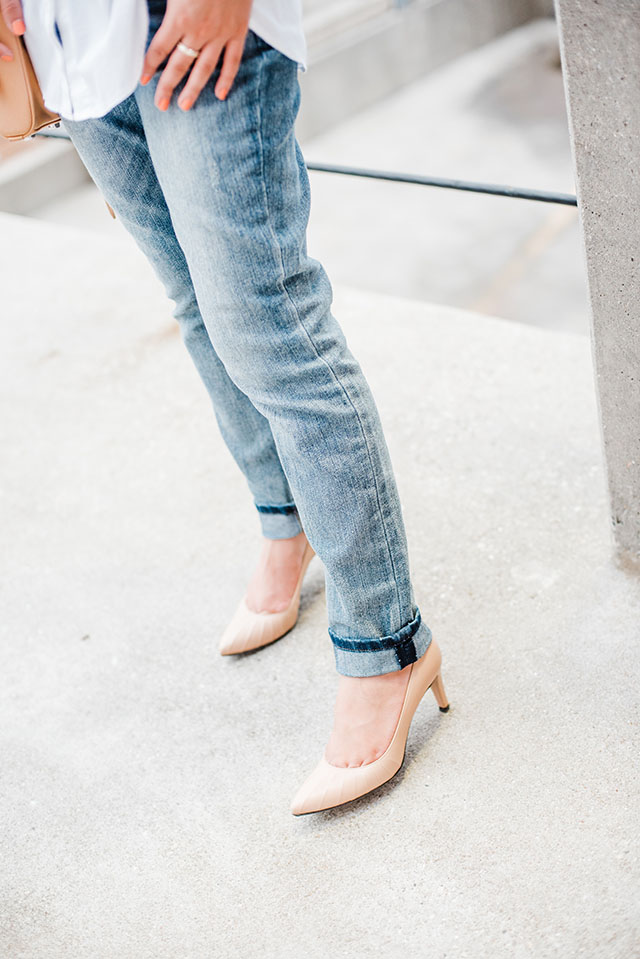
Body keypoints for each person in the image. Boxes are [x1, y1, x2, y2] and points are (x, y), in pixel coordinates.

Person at [0, 0, 449, 815]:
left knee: (272, 330)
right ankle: (288, 519)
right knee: (199, 306)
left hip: (197, 21)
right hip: (74, 43)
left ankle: (387, 644)